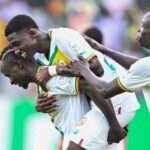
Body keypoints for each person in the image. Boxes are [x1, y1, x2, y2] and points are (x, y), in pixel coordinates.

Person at [4, 14, 126, 143]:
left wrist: (53, 70)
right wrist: (39, 99)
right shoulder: (41, 57)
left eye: (17, 44)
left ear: (33, 34)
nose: (17, 50)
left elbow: (97, 69)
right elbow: (48, 78)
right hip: (100, 109)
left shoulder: (62, 37)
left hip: (115, 102)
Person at [68, 12, 150, 113]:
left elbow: (105, 90)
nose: (138, 30)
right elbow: (140, 65)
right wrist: (104, 49)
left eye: (142, 26)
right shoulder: (145, 65)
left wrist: (84, 69)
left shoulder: (145, 67)